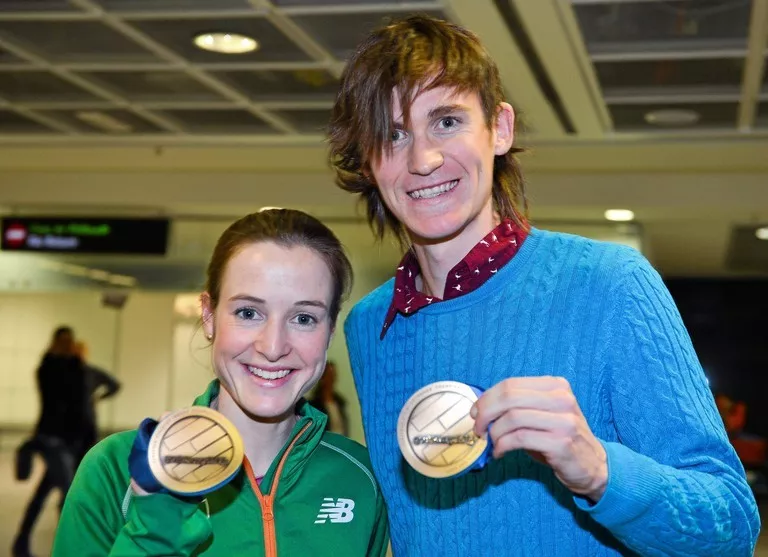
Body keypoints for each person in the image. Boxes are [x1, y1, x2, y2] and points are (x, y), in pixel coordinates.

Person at [329, 14, 759, 556]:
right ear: (368, 164)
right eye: (392, 135)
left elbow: (732, 527)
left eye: (446, 121)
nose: (423, 159)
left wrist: (597, 470)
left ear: (500, 128)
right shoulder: (370, 326)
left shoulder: (610, 285)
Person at [51, 209, 389, 556]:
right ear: (209, 316)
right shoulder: (113, 472)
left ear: (330, 330)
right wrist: (157, 527)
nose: (272, 347)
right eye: (248, 313)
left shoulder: (360, 476)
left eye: (304, 318)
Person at [13, 326, 86, 557]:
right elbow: (60, 395)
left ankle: (21, 542)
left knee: (44, 492)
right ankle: (70, 547)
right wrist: (70, 361)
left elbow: (78, 401)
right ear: (54, 342)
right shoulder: (48, 368)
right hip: (50, 439)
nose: (66, 345)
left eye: (69, 341)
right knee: (68, 492)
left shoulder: (74, 367)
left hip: (68, 441)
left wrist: (75, 362)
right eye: (62, 341)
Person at [72, 340, 121, 461]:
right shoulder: (75, 373)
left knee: (87, 450)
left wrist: (99, 397)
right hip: (76, 418)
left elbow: (115, 384)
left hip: (86, 417)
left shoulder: (90, 372)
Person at [310, 361, 350, 436]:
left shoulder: (340, 402)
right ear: (322, 378)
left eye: (333, 375)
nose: (331, 379)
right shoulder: (314, 405)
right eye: (329, 376)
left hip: (341, 444)